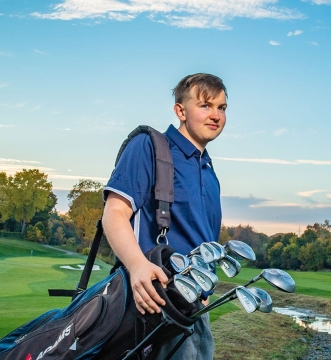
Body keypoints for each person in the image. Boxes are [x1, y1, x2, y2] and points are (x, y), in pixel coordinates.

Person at [102, 73, 227, 360]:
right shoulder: (149, 146)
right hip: (152, 304)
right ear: (180, 111)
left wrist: (206, 282)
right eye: (206, 105)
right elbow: (115, 212)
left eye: (222, 108)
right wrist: (137, 266)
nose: (216, 115)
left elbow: (205, 242)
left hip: (194, 308)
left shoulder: (209, 172)